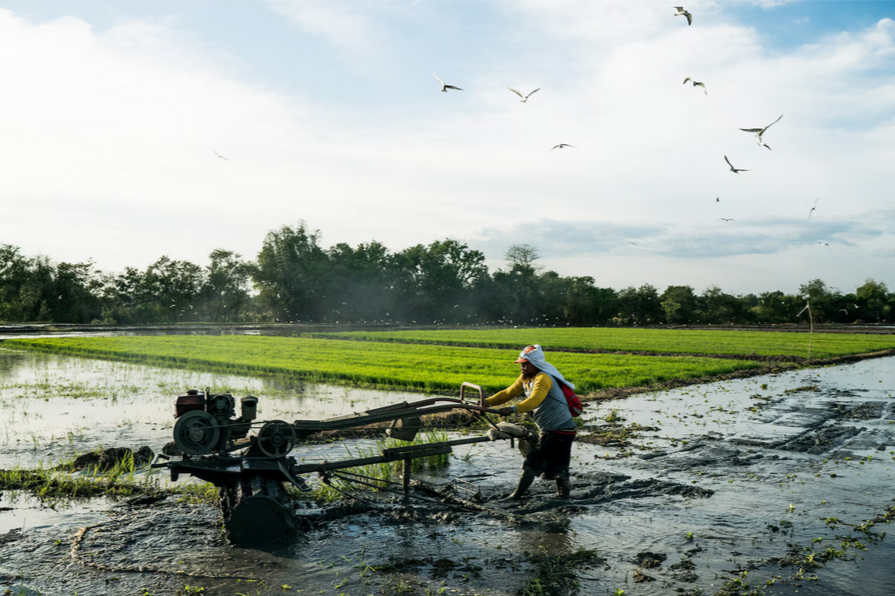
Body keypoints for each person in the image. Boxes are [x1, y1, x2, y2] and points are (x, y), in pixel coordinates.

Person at [485, 344, 576, 499]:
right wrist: (485, 403)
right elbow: (508, 392)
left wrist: (513, 409)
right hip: (561, 429)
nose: (522, 367)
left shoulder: (543, 378)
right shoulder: (526, 378)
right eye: (521, 363)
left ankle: (516, 496)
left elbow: (534, 400)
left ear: (536, 364)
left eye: (525, 364)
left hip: (558, 430)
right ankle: (564, 500)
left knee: (531, 462)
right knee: (560, 469)